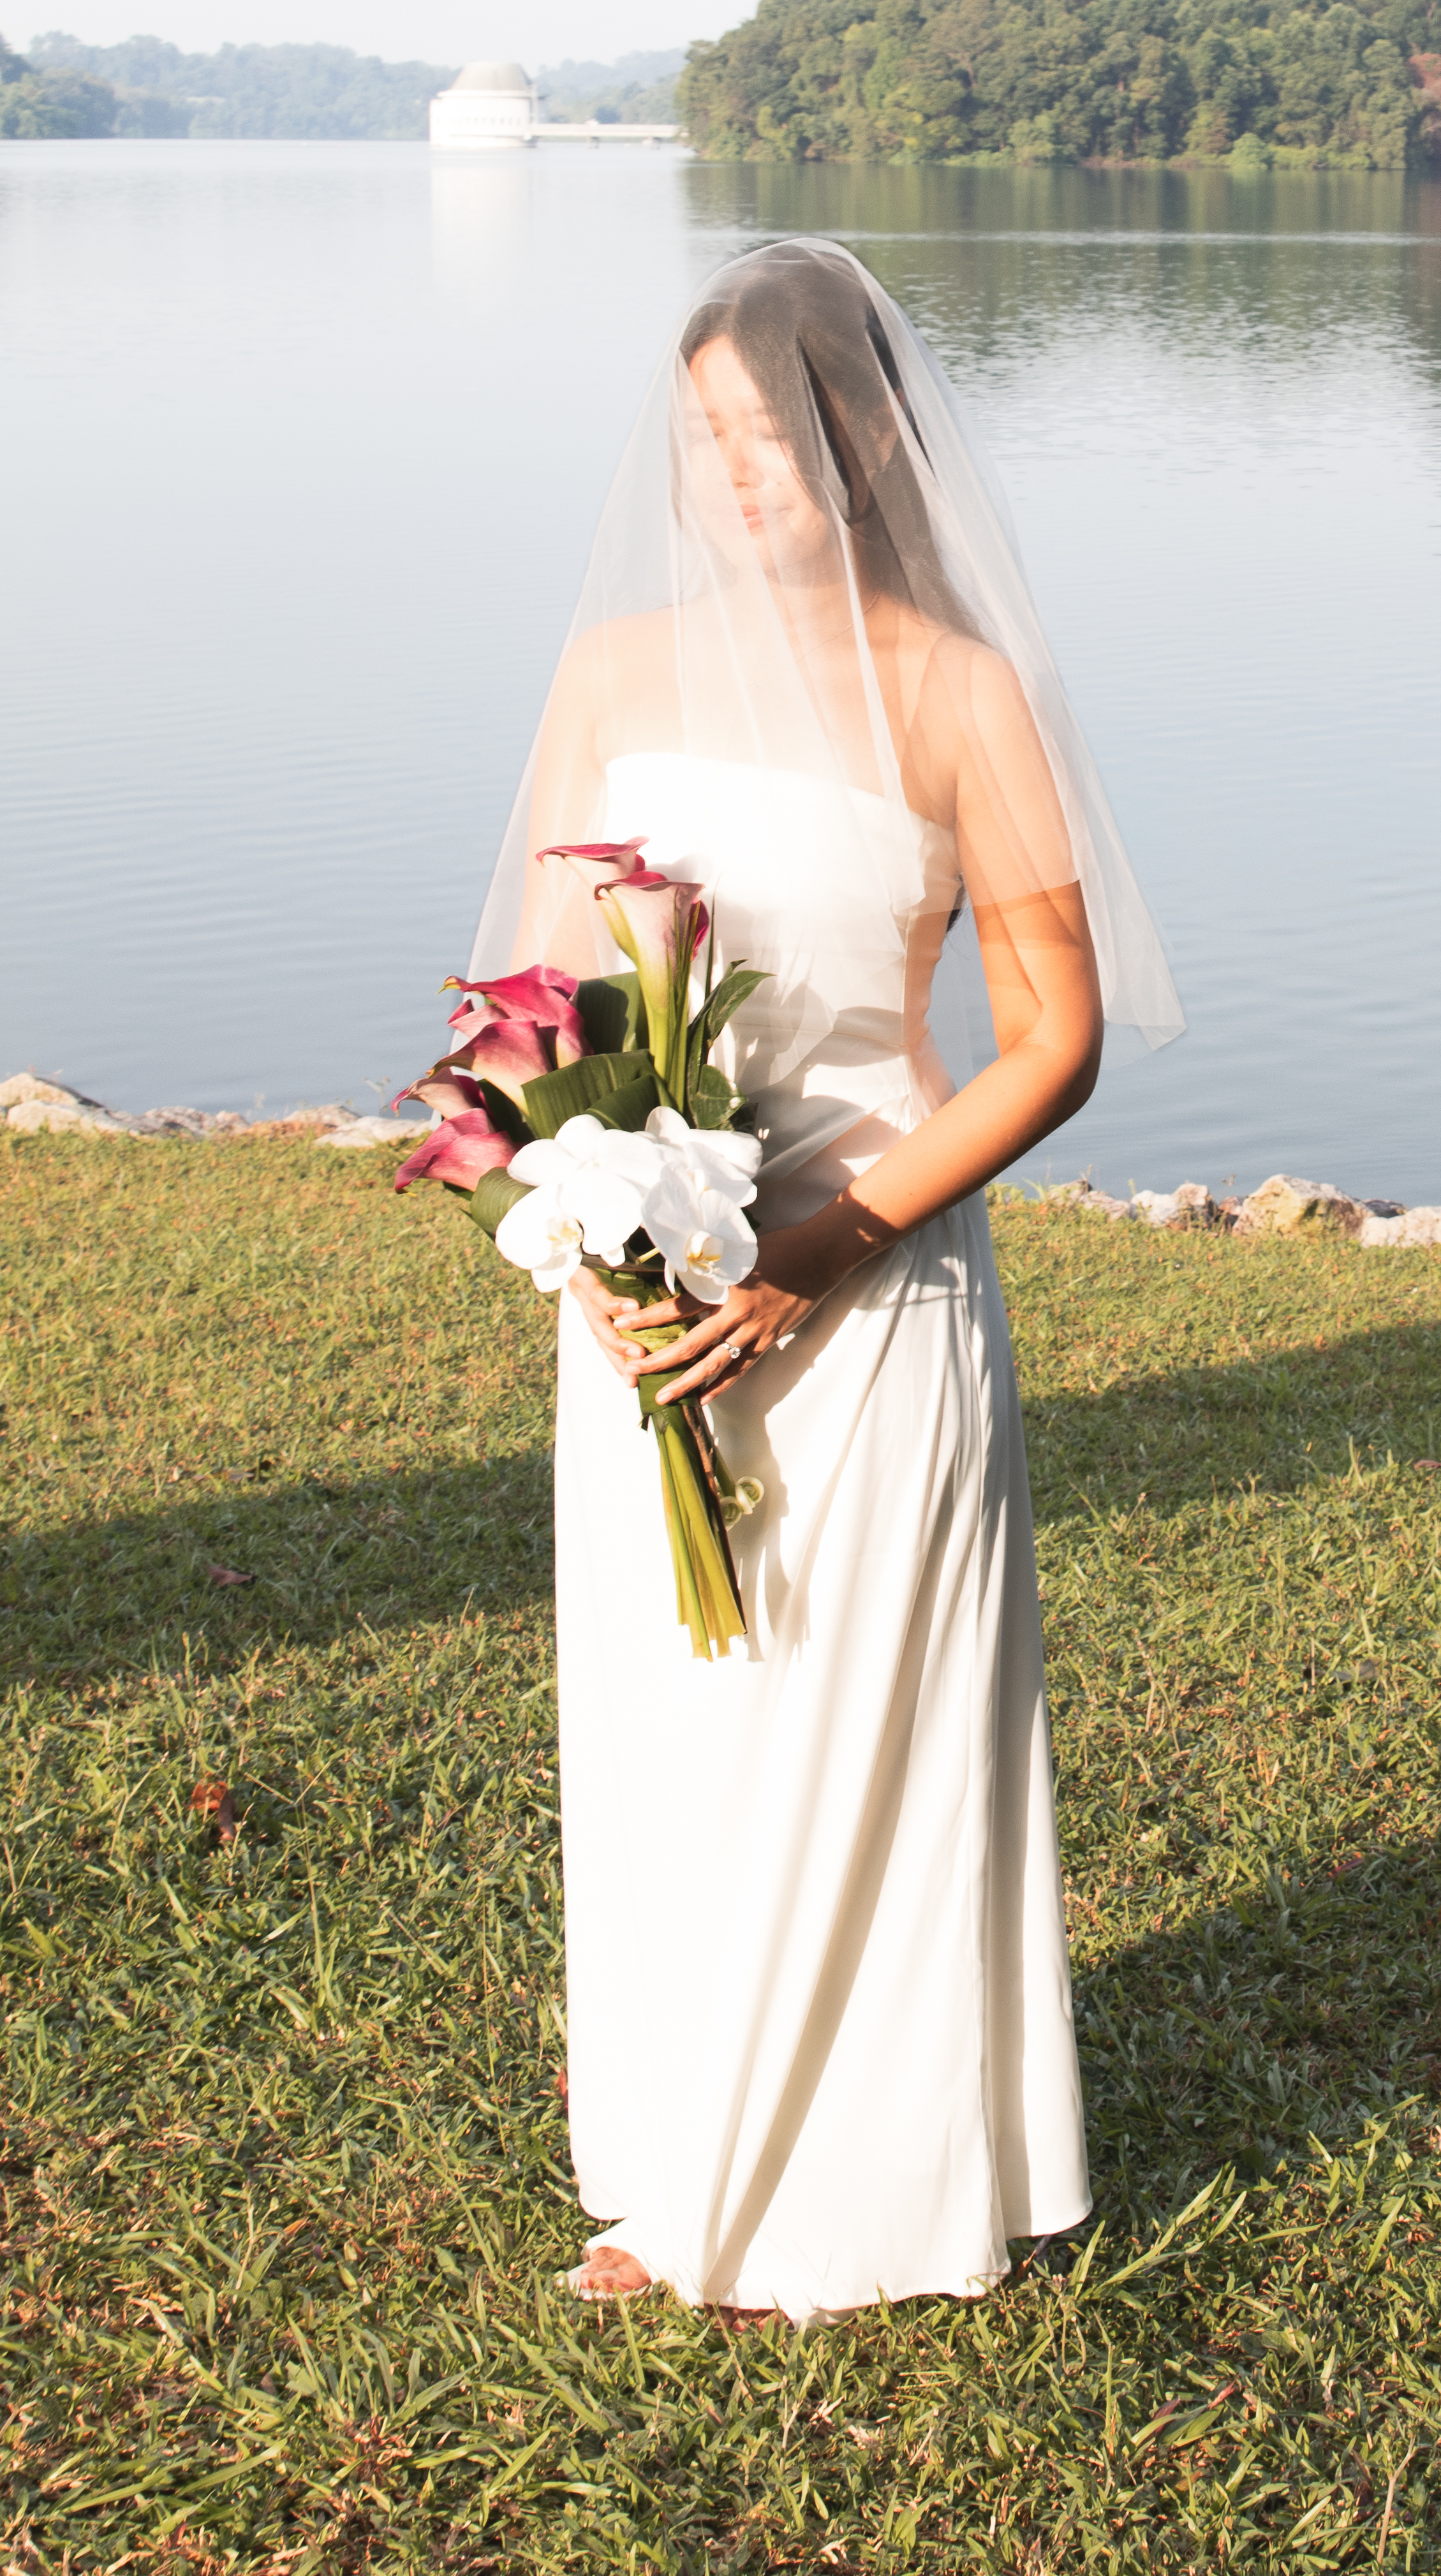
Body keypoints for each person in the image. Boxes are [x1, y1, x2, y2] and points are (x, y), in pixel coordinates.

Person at [472, 236, 1181, 2322]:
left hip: (868, 1278)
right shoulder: (612, 670)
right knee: (680, 1727)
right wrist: (582, 1244)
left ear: (858, 436)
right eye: (697, 435)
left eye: (761, 430)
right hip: (651, 1293)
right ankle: (675, 2176)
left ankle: (856, 2200)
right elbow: (531, 1009)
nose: (726, 471)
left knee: (851, 1727)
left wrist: (823, 1249)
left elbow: (1052, 1033)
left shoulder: (963, 689)